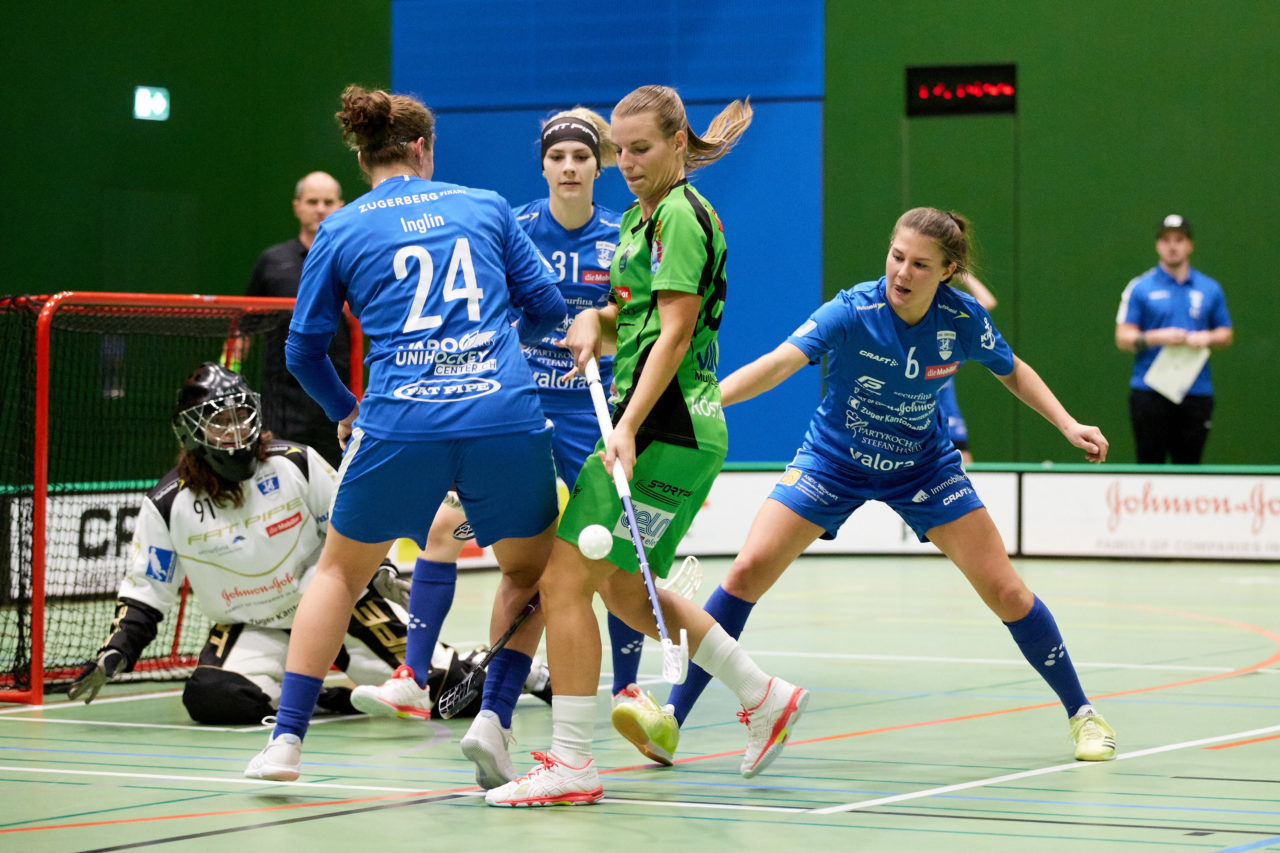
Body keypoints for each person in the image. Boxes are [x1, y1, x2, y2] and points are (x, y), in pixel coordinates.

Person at [627, 207, 1119, 767]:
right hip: (833, 460)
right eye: (897, 256)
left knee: (1006, 591)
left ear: (948, 271)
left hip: (924, 468)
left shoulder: (961, 319)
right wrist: (703, 400)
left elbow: (1011, 369)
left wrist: (1067, 423)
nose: (902, 273)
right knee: (745, 570)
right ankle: (670, 721)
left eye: (920, 265)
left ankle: (1083, 713)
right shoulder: (851, 308)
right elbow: (777, 364)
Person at [485, 85, 809, 809]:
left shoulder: (679, 217)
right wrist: (593, 323)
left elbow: (676, 330)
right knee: (627, 592)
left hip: (664, 425)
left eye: (641, 149)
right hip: (677, 429)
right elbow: (631, 315)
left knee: (564, 580)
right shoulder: (639, 220)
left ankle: (571, 760)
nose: (626, 163)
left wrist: (626, 426)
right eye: (619, 151)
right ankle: (765, 693)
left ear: (675, 143)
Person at [242, 85, 567, 785]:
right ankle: (494, 720)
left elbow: (303, 349)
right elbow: (547, 308)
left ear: (363, 160)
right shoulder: (484, 206)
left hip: (398, 420)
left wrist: (347, 406)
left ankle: (286, 743)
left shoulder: (341, 228)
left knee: (338, 572)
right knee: (528, 572)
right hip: (501, 413)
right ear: (423, 148)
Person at [353, 107, 677, 724]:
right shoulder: (514, 225)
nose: (569, 167)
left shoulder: (623, 234)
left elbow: (638, 325)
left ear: (597, 166)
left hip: (590, 410)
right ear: (544, 166)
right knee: (445, 530)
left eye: (582, 157)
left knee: (606, 546)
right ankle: (412, 677)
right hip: (517, 412)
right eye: (557, 157)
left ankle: (629, 689)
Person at [66, 363, 408, 724]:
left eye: (241, 415)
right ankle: (323, 697)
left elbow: (355, 525)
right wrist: (117, 650)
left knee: (441, 687)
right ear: (190, 430)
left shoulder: (297, 463)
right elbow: (147, 590)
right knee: (213, 697)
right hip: (254, 626)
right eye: (219, 421)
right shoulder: (167, 504)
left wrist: (380, 569)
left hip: (336, 609)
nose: (235, 430)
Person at [245, 171, 350, 468]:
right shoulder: (272, 262)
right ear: (297, 206)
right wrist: (231, 377)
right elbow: (242, 333)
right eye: (312, 201)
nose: (320, 208)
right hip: (282, 407)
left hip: (339, 404)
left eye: (328, 202)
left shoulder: (353, 259)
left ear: (340, 205)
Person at [1115, 214, 1232, 464]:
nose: (1172, 246)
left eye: (1179, 239)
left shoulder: (1209, 288)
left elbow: (1226, 333)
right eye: (1166, 240)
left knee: (1189, 466)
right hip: (1150, 390)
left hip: (1196, 390)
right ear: (1158, 245)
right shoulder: (1140, 287)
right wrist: (1158, 337)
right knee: (1149, 464)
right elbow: (1123, 337)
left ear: (1189, 245)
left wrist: (1206, 337)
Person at [938, 273, 997, 464]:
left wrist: (964, 274)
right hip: (917, 428)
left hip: (951, 425)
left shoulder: (950, 344)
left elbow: (987, 302)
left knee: (966, 480)